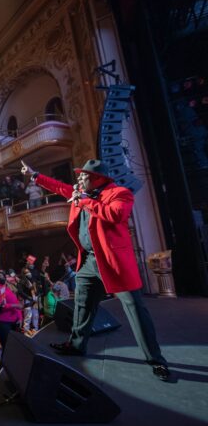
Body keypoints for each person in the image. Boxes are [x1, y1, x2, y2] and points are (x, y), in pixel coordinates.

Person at [21, 159, 170, 381]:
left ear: (98, 178)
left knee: (135, 310)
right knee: (82, 305)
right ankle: (77, 345)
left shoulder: (120, 193)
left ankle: (156, 360)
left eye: (83, 176)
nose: (78, 179)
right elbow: (60, 187)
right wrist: (34, 176)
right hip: (89, 261)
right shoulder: (80, 192)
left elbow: (116, 215)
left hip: (113, 262)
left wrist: (85, 201)